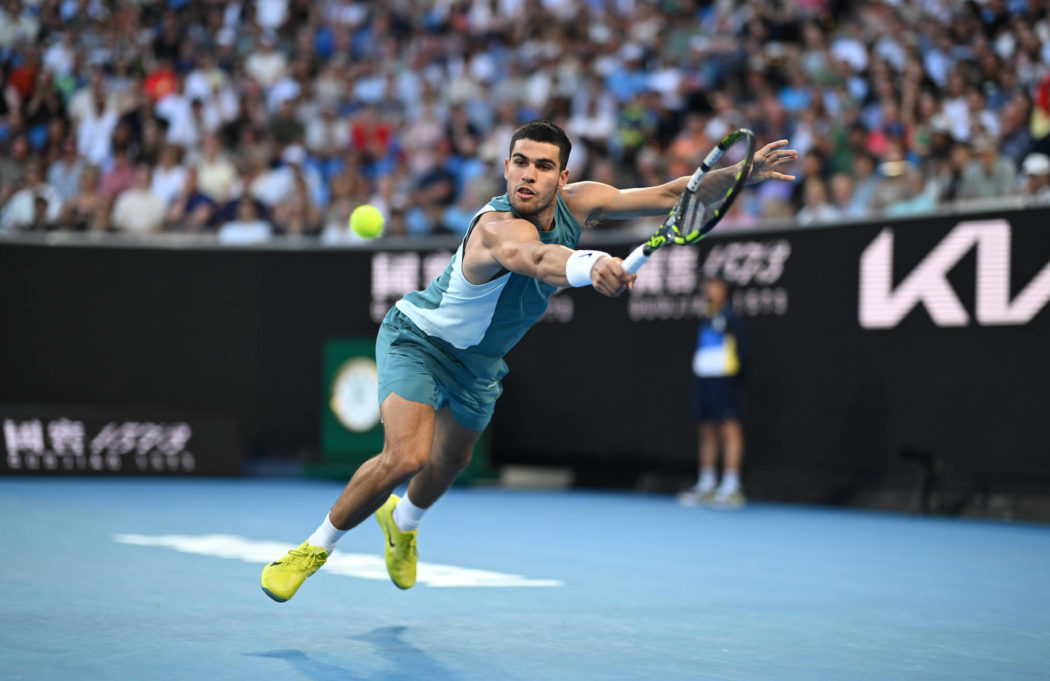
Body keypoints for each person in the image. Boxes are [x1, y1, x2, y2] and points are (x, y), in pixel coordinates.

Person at [260, 120, 796, 602]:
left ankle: (403, 523)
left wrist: (744, 172)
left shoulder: (581, 203)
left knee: (450, 463)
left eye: (543, 166)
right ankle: (313, 548)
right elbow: (536, 258)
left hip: (479, 365)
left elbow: (672, 192)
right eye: (520, 162)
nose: (528, 175)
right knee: (406, 456)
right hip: (418, 342)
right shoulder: (497, 227)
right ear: (506, 166)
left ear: (564, 178)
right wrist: (592, 264)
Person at [677, 276, 748, 508]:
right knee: (707, 430)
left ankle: (731, 486)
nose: (710, 292)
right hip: (704, 380)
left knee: (729, 430)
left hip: (724, 380)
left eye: (715, 288)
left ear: (725, 292)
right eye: (708, 288)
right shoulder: (705, 317)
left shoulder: (731, 317)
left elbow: (743, 352)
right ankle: (707, 484)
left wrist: (735, 378)